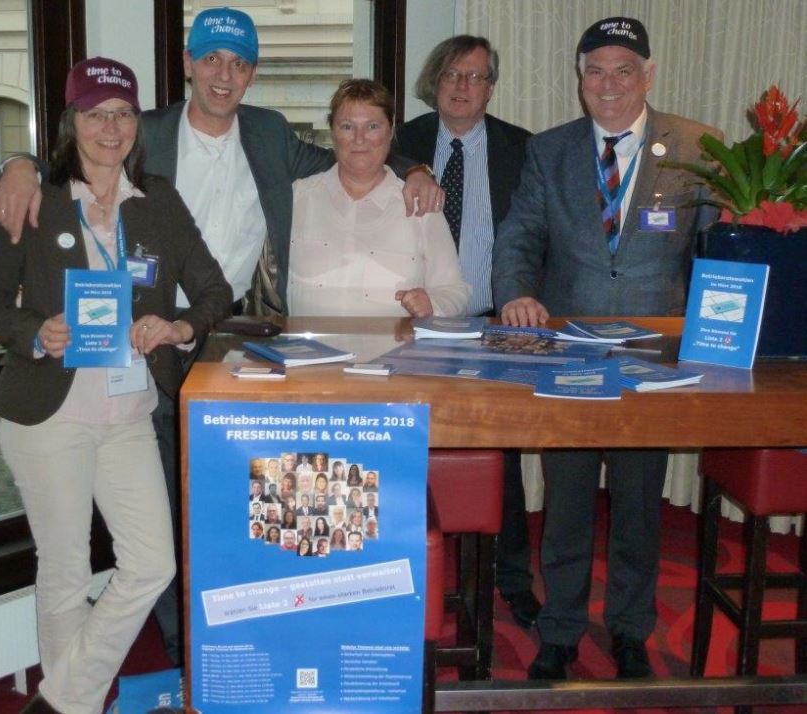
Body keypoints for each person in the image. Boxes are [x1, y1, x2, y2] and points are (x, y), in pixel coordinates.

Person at [0, 6, 442, 665]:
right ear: (188, 65)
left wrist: (416, 168)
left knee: (236, 488)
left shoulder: (268, 132)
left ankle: (235, 632)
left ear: (252, 73)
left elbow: (352, 150)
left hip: (221, 330)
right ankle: (181, 648)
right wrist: (16, 163)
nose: (223, 75)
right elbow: (75, 150)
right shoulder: (144, 129)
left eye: (238, 63)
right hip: (138, 340)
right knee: (164, 499)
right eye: (211, 59)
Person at [0, 57, 231, 714]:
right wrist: (36, 332)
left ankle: (57, 701)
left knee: (152, 564)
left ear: (136, 122)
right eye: (95, 114)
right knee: (64, 571)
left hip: (128, 414)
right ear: (72, 122)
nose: (110, 128)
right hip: (48, 417)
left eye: (122, 114)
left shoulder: (158, 202)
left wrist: (177, 327)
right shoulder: (37, 199)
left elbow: (214, 291)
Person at [492, 17, 721, 681]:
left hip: (653, 358)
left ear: (647, 75)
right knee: (565, 502)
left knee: (637, 504)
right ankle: (561, 630)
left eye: (624, 70)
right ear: (580, 78)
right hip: (569, 356)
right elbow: (519, 236)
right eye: (595, 70)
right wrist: (516, 292)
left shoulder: (696, 146)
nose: (609, 83)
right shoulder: (550, 149)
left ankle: (629, 629)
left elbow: (718, 248)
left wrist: (715, 328)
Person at [395, 34, 540, 631]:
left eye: (476, 77)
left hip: (491, 322)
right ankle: (402, 570)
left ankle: (512, 577)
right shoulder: (401, 140)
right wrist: (413, 168)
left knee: (500, 456)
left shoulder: (523, 148)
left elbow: (537, 233)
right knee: (405, 448)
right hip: (413, 323)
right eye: (453, 74)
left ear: (491, 88)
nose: (463, 86)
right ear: (436, 80)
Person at [287, 78, 471, 318]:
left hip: (394, 344)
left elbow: (455, 291)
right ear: (332, 131)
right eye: (347, 126)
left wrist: (433, 305)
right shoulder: (297, 198)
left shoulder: (420, 206)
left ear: (391, 131)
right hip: (305, 343)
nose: (359, 138)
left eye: (372, 126)